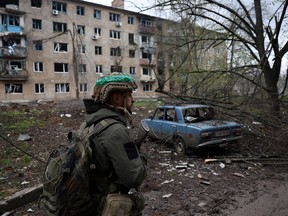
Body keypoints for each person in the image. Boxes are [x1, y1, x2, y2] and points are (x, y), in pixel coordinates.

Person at [83, 72, 148, 216]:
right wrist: (140, 154)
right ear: (117, 99)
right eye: (130, 95)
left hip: (88, 200)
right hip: (103, 205)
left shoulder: (91, 122)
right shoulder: (116, 131)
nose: (133, 100)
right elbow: (135, 177)